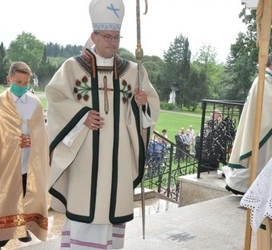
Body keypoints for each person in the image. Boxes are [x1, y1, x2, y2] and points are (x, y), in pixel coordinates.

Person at [45, 0, 160, 248]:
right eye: (107, 36)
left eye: (116, 37)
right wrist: (81, 115)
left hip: (118, 159)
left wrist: (140, 104)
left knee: (111, 214)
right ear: (93, 36)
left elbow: (148, 108)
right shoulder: (73, 67)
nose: (112, 41)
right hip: (85, 157)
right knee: (86, 210)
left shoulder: (133, 71)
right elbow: (54, 98)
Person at [222, 51, 272, 195]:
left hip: (263, 127)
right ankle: (235, 183)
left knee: (260, 162)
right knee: (259, 161)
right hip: (263, 130)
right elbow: (270, 103)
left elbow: (270, 101)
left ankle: (245, 186)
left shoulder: (269, 80)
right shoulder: (265, 79)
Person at [0, 62, 49, 247]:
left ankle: (23, 228)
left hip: (28, 159)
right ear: (9, 79)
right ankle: (3, 233)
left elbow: (41, 132)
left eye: (26, 82)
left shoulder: (34, 102)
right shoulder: (0, 101)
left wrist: (32, 139)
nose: (22, 86)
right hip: (6, 161)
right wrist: (14, 140)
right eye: (18, 81)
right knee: (8, 195)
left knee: (26, 194)